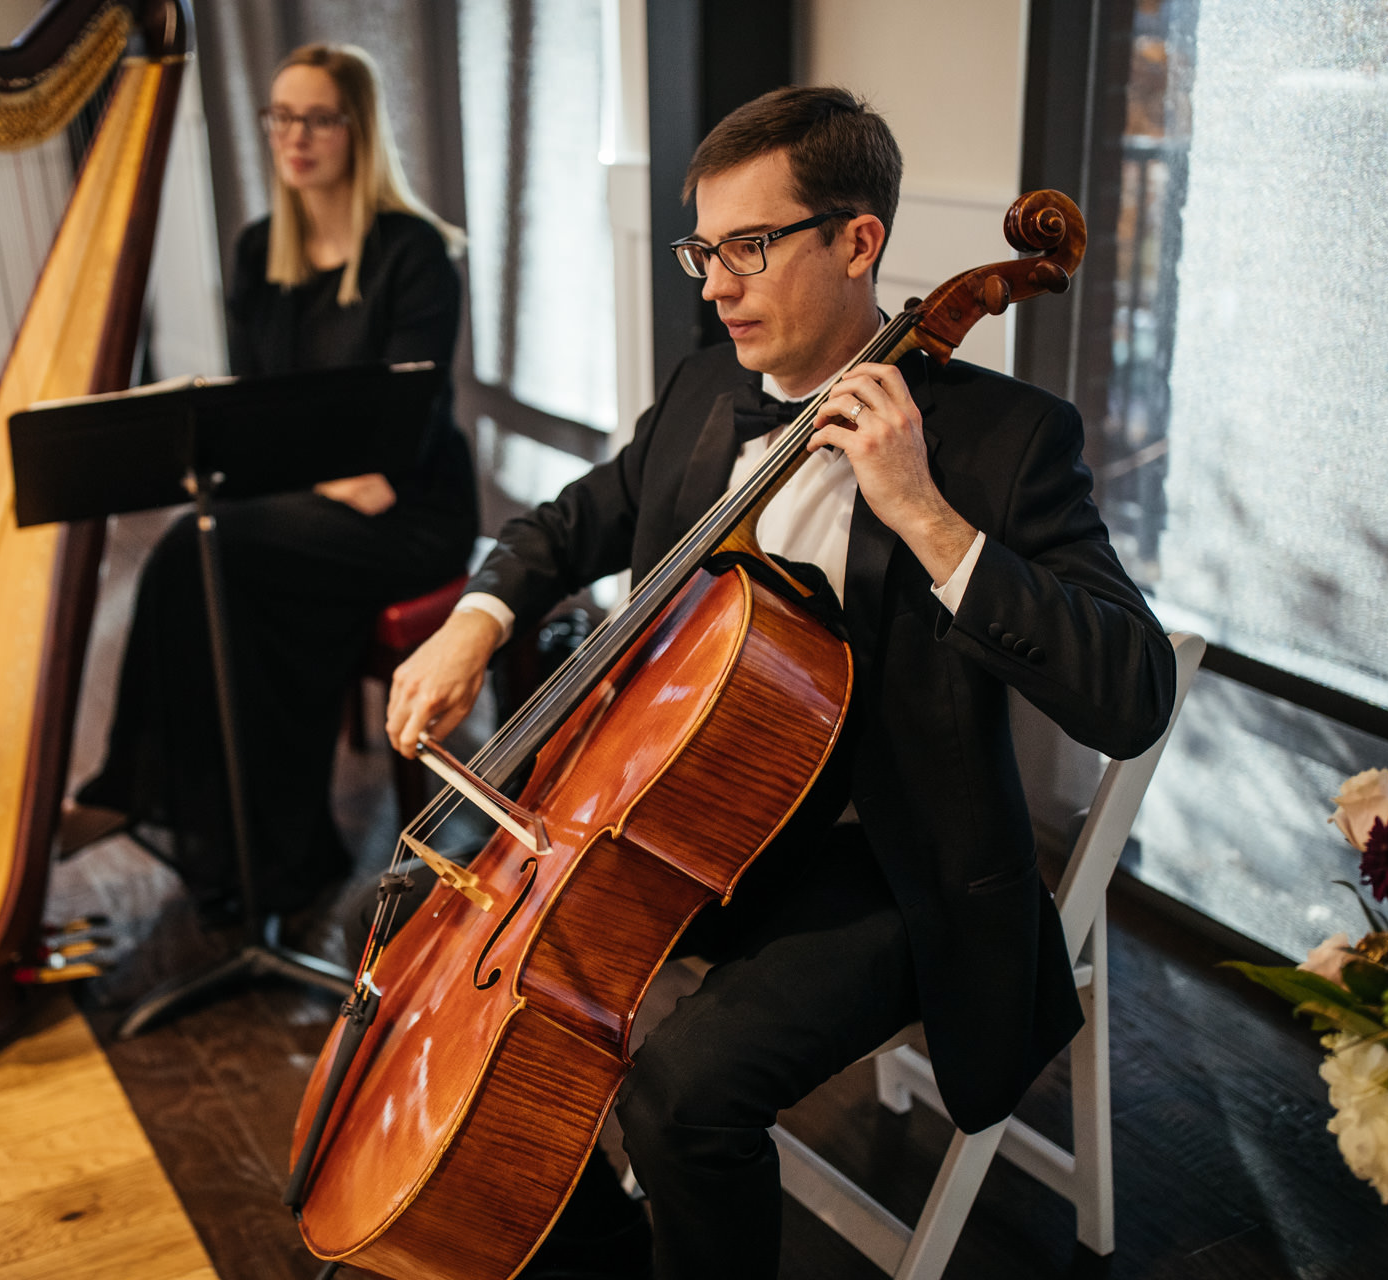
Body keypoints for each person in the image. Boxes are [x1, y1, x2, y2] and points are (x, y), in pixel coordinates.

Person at [385, 86, 1175, 1279]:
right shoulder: (710, 388)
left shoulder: (1010, 440)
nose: (714, 283)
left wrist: (924, 514)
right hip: (689, 825)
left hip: (891, 864)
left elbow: (1134, 689)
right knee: (451, 962)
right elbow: (574, 520)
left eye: (748, 246)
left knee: (680, 1096)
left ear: (859, 242)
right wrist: (479, 618)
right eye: (704, 247)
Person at [74, 43, 477, 923]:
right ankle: (243, 847)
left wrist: (324, 470)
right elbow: (264, 416)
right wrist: (312, 472)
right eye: (281, 116)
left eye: (317, 116)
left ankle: (207, 823)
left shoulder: (415, 253)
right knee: (210, 559)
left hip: (411, 511)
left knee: (198, 550)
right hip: (318, 499)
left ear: (356, 128)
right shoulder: (263, 251)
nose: (294, 136)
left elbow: (401, 430)